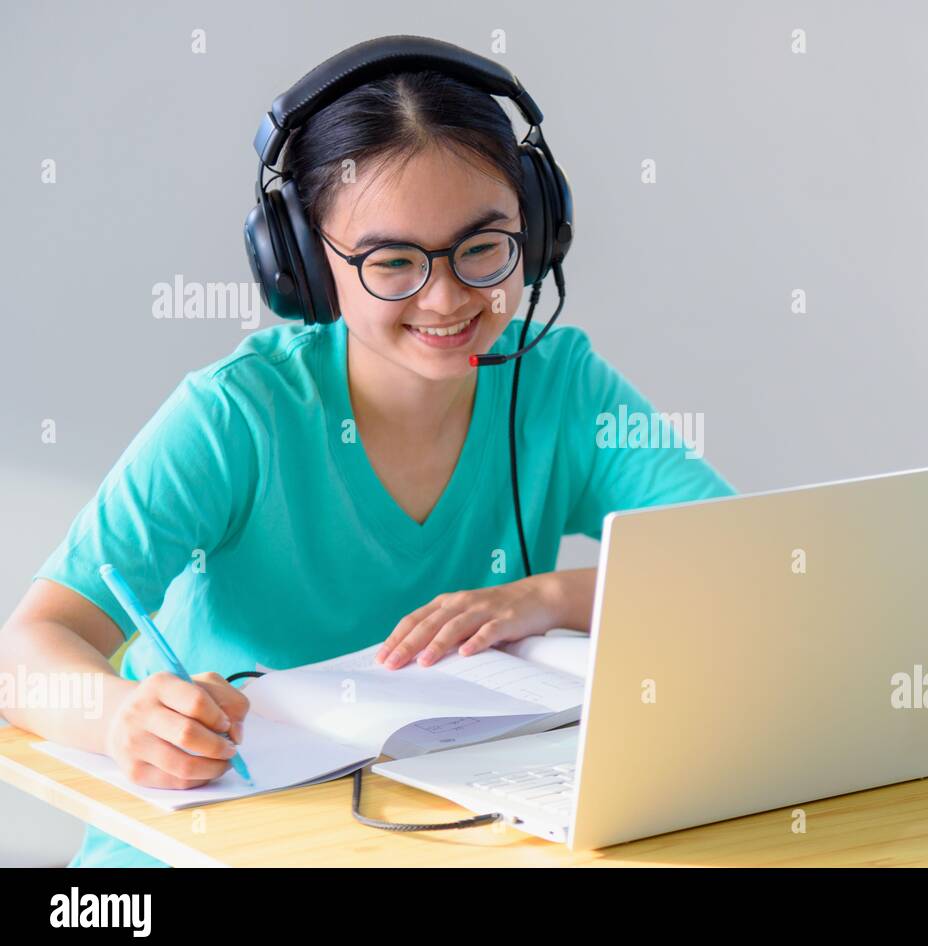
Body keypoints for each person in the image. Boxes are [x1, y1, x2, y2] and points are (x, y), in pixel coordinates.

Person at [0, 56, 733, 867]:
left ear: (538, 228)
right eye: (392, 263)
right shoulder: (237, 416)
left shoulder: (560, 384)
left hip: (431, 842)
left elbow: (740, 562)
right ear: (307, 268)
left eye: (483, 247)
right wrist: (119, 717)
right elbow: (28, 649)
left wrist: (550, 596)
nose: (447, 299)